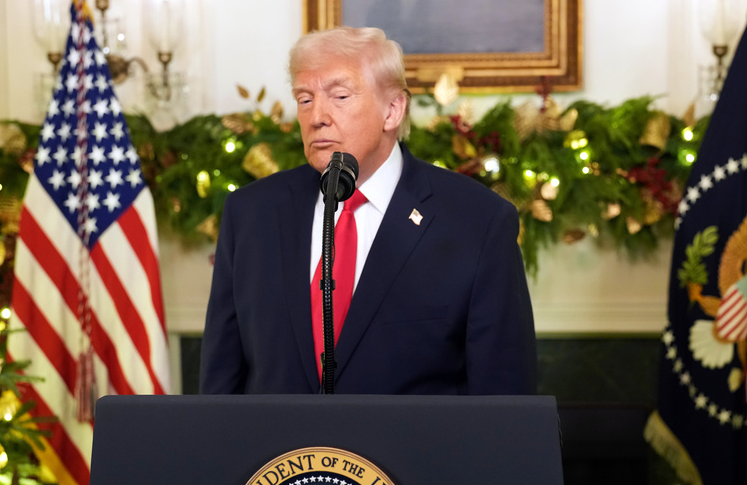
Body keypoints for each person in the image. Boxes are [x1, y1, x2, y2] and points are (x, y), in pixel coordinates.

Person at [199, 26, 537, 395]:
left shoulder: (477, 221)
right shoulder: (251, 214)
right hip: (276, 437)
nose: (316, 117)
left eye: (340, 96)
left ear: (392, 110)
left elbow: (504, 399)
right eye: (305, 99)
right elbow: (220, 385)